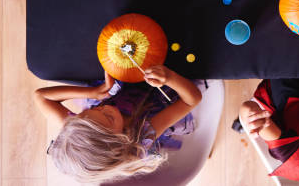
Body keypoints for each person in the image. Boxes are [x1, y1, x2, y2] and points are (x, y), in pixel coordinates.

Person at [34, 65, 202, 183]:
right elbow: (192, 99)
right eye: (108, 117)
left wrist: (92, 93)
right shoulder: (142, 134)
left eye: (90, 112)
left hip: (123, 86)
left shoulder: (78, 128)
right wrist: (170, 77)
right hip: (152, 98)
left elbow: (41, 97)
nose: (106, 107)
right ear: (121, 138)